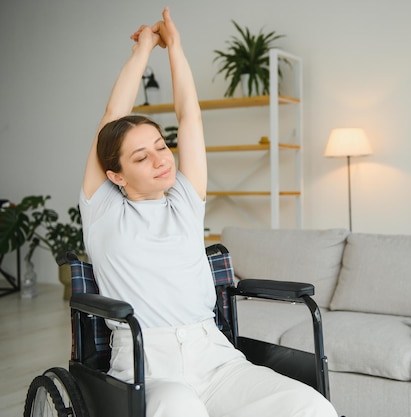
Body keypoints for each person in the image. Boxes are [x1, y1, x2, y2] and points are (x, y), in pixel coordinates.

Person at [79, 7, 338, 417]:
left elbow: (189, 117)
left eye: (162, 147)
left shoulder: (183, 199)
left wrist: (176, 48)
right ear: (116, 175)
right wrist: (145, 47)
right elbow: (112, 117)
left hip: (215, 358)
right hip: (148, 364)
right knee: (180, 407)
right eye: (141, 157)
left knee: (310, 406)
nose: (161, 159)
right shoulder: (103, 210)